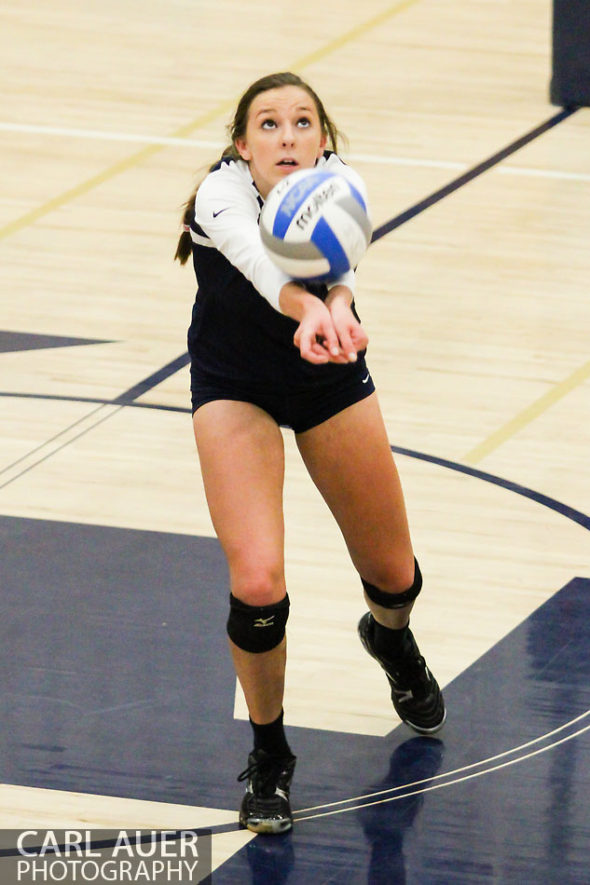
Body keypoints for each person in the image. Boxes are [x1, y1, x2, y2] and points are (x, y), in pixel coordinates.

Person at [175, 71, 445, 835]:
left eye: (302, 122)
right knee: (258, 583)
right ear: (241, 144)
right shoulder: (219, 198)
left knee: (394, 575)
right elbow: (265, 267)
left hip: (325, 378)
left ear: (323, 140)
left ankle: (389, 638)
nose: (286, 136)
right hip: (235, 386)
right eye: (268, 124)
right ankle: (270, 753)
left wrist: (340, 312)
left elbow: (340, 267)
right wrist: (308, 309)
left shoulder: (341, 187)